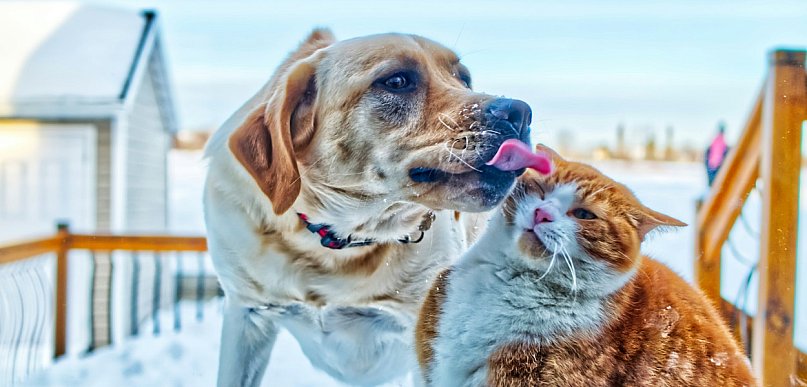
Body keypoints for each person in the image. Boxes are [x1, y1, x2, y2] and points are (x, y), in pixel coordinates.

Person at [705, 122, 729, 186]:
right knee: (715, 184)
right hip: (715, 166)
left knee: (714, 184)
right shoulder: (720, 140)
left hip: (713, 166)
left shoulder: (716, 140)